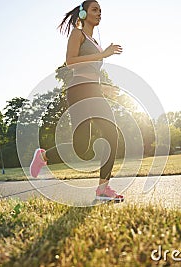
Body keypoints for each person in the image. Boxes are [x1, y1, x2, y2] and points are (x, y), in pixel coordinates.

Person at [30, 0, 124, 202]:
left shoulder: (94, 41)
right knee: (80, 148)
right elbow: (70, 62)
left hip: (94, 91)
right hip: (78, 92)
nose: (99, 13)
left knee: (111, 134)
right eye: (95, 9)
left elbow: (91, 71)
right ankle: (44, 157)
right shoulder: (77, 34)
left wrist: (104, 88)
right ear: (83, 13)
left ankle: (102, 189)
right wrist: (102, 54)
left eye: (100, 10)